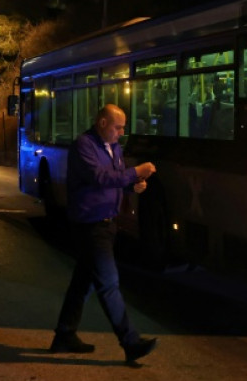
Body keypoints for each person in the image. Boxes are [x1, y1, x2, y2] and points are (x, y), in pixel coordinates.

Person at [49, 104, 158, 363]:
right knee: (108, 284)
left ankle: (64, 335)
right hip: (90, 224)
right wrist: (135, 172)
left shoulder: (114, 147)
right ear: (102, 123)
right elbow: (99, 177)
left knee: (83, 282)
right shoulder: (83, 146)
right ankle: (130, 343)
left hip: (107, 223)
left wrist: (133, 186)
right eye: (118, 127)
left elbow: (116, 178)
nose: (122, 132)